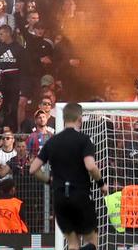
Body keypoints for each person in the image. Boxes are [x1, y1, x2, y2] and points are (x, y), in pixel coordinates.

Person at [29, 102, 104, 250]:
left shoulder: (52, 141)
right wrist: (101, 184)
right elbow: (90, 166)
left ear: (63, 118)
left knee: (72, 244)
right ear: (80, 118)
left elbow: (33, 169)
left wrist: (49, 180)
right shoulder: (83, 140)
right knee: (92, 241)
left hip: (60, 198)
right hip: (80, 196)